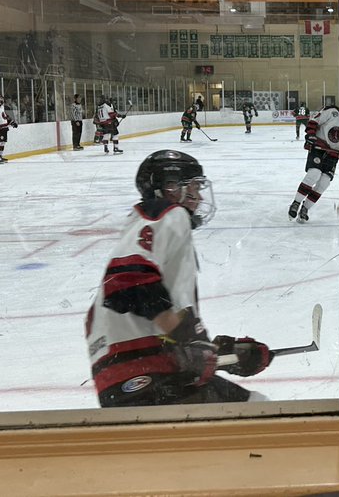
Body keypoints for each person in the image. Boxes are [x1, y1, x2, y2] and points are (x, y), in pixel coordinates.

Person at [86, 150, 271, 406]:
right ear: (172, 187)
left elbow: (159, 322)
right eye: (194, 186)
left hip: (131, 379)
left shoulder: (155, 232)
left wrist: (228, 353)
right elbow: (127, 281)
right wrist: (190, 338)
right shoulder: (167, 213)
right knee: (261, 416)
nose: (200, 195)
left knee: (255, 407)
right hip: (148, 374)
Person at [288, 103, 339, 223]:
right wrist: (311, 135)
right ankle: (296, 203)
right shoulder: (333, 112)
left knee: (324, 182)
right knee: (314, 174)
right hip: (319, 148)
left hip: (333, 154)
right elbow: (314, 121)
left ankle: (305, 208)